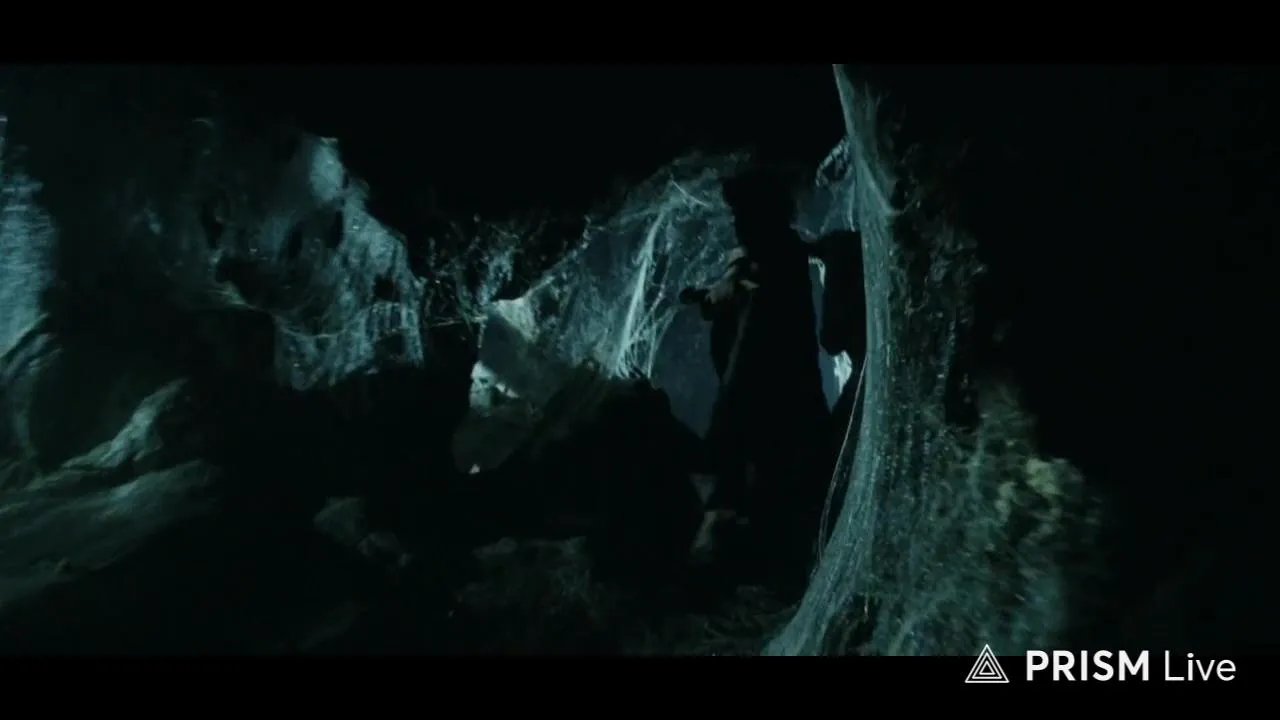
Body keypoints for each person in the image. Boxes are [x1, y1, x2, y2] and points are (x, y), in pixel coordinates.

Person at [680, 168, 831, 566]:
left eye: (744, 216)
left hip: (778, 416)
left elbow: (744, 365)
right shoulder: (766, 261)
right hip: (778, 418)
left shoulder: (771, 274)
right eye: (736, 217)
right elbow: (734, 281)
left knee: (772, 509)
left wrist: (722, 430)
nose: (737, 226)